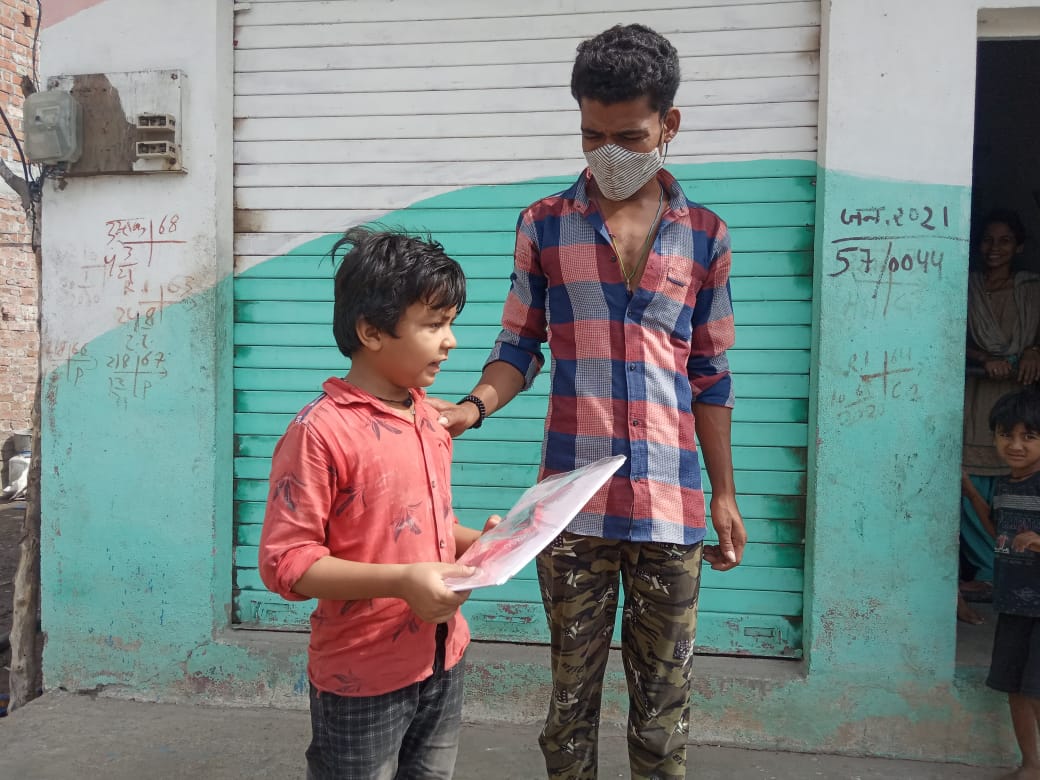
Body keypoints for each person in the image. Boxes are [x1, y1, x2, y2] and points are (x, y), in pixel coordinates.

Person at [432, 24, 747, 780]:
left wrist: (725, 494)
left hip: (672, 507)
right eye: (591, 135)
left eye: (629, 136)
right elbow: (518, 346)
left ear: (668, 125)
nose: (608, 153)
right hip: (571, 511)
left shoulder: (705, 236)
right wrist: (470, 408)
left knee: (664, 714)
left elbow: (711, 373)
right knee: (569, 709)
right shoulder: (544, 224)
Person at [258, 228, 498, 780]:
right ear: (371, 331)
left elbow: (422, 529)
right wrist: (403, 582)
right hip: (361, 677)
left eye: (451, 323)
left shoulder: (431, 420)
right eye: (434, 325)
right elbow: (286, 563)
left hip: (444, 658)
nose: (451, 341)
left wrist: (486, 543)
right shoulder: (319, 433)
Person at [961, 209, 1040, 624]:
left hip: (1020, 400)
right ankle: (989, 570)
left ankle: (1007, 571)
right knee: (970, 487)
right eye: (988, 240)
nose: (995, 248)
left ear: (1019, 246)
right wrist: (983, 358)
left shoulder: (1032, 290)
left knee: (1018, 488)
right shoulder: (965, 286)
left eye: (1005, 240)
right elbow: (944, 332)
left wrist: (1032, 352)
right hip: (976, 399)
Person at [971, 389, 1040, 780]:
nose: (1015, 445)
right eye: (1005, 435)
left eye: (1028, 437)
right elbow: (996, 529)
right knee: (1014, 687)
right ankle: (1030, 765)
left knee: (1037, 690)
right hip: (1012, 605)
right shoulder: (1006, 486)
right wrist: (970, 491)